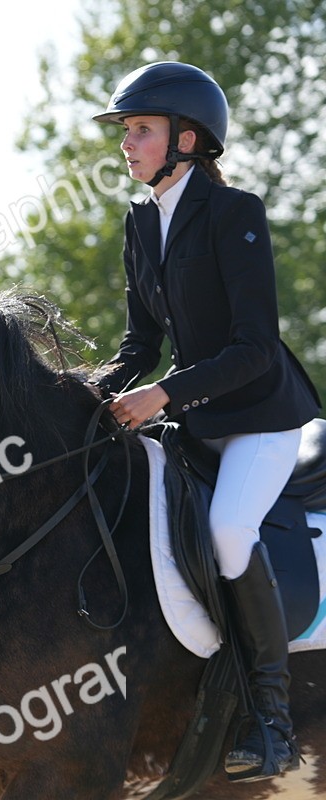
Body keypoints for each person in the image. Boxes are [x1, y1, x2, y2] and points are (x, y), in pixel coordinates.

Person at [92, 61, 320, 780]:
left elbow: (254, 347)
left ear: (187, 139)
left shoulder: (234, 213)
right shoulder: (139, 222)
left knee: (227, 530)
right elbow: (139, 346)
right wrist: (86, 394)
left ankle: (271, 717)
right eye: (126, 131)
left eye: (142, 130)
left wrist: (162, 395)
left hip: (261, 416)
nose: (127, 143)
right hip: (195, 415)